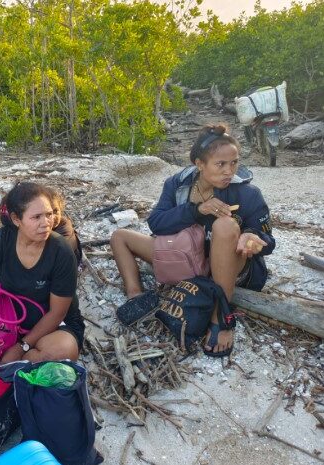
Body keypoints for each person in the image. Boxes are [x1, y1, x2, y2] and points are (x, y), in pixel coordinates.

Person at [110, 124, 275, 357]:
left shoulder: (247, 193)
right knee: (120, 237)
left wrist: (253, 238)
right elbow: (156, 222)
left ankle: (221, 319)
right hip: (187, 258)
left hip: (227, 266)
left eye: (234, 162)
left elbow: (269, 240)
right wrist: (197, 210)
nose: (229, 171)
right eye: (220, 164)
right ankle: (137, 296)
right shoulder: (177, 184)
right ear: (199, 164)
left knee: (225, 225)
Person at [0, 182, 85, 363]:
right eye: (36, 217)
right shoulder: (1, 240)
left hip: (52, 326)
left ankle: (16, 362)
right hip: (9, 315)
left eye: (49, 215)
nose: (46, 223)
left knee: (60, 351)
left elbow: (57, 313)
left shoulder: (62, 252)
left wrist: (22, 346)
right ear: (16, 219)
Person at [48, 187, 82, 264]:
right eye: (48, 213)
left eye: (56, 211)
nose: (53, 217)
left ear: (61, 209)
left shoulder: (65, 229)